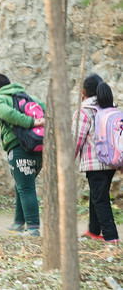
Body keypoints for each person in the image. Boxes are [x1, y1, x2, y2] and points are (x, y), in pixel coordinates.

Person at [0, 73, 45, 237]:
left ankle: (33, 228)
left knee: (26, 187)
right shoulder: (27, 97)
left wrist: (31, 123)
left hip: (20, 148)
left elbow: (7, 114)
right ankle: (19, 222)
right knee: (22, 183)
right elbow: (46, 109)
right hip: (38, 147)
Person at [72, 74, 119, 243]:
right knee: (97, 195)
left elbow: (76, 138)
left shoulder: (85, 111)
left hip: (94, 163)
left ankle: (111, 236)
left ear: (84, 90)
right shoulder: (111, 108)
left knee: (100, 199)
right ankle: (93, 230)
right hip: (111, 162)